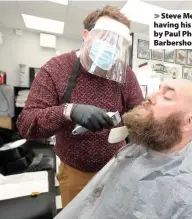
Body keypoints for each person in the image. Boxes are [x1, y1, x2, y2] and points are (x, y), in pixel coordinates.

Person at [16, 6, 144, 207]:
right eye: (105, 37)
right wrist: (69, 111)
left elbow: (139, 112)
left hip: (116, 169)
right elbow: (26, 124)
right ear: (86, 35)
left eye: (118, 43)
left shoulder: (125, 73)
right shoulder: (56, 69)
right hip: (75, 173)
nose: (111, 47)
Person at [55, 80, 192, 219]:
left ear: (189, 122)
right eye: (158, 89)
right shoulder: (138, 151)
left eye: (167, 96)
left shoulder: (191, 196)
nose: (150, 96)